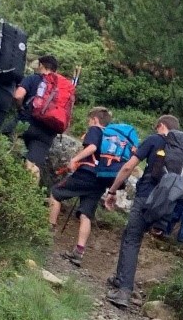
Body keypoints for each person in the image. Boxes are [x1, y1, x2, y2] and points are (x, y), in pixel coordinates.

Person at [103, 115, 183, 308]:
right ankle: (120, 280)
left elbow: (128, 167)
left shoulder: (154, 140)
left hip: (146, 198)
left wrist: (112, 190)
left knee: (132, 239)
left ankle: (124, 292)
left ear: (161, 126)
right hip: (167, 206)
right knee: (131, 235)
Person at [47, 106, 115, 266]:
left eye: (89, 120)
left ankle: (48, 232)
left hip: (86, 174)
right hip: (101, 180)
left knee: (56, 193)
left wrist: (75, 159)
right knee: (86, 214)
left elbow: (92, 147)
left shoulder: (95, 130)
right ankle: (79, 252)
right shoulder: (111, 137)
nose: (88, 123)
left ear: (95, 120)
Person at [13, 55, 60, 184]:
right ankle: (29, 199)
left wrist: (20, 108)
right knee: (33, 166)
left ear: (41, 65)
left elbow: (18, 96)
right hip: (47, 132)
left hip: (27, 123)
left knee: (1, 135)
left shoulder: (33, 78)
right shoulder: (61, 86)